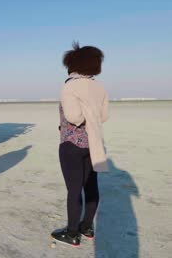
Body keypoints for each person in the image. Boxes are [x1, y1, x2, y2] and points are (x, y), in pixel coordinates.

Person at [51, 42, 109, 247]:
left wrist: (80, 119)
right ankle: (87, 226)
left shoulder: (70, 85)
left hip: (72, 143)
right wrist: (90, 117)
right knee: (91, 185)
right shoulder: (99, 86)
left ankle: (72, 232)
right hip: (93, 143)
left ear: (73, 63)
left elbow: (73, 116)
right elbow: (104, 116)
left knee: (74, 190)